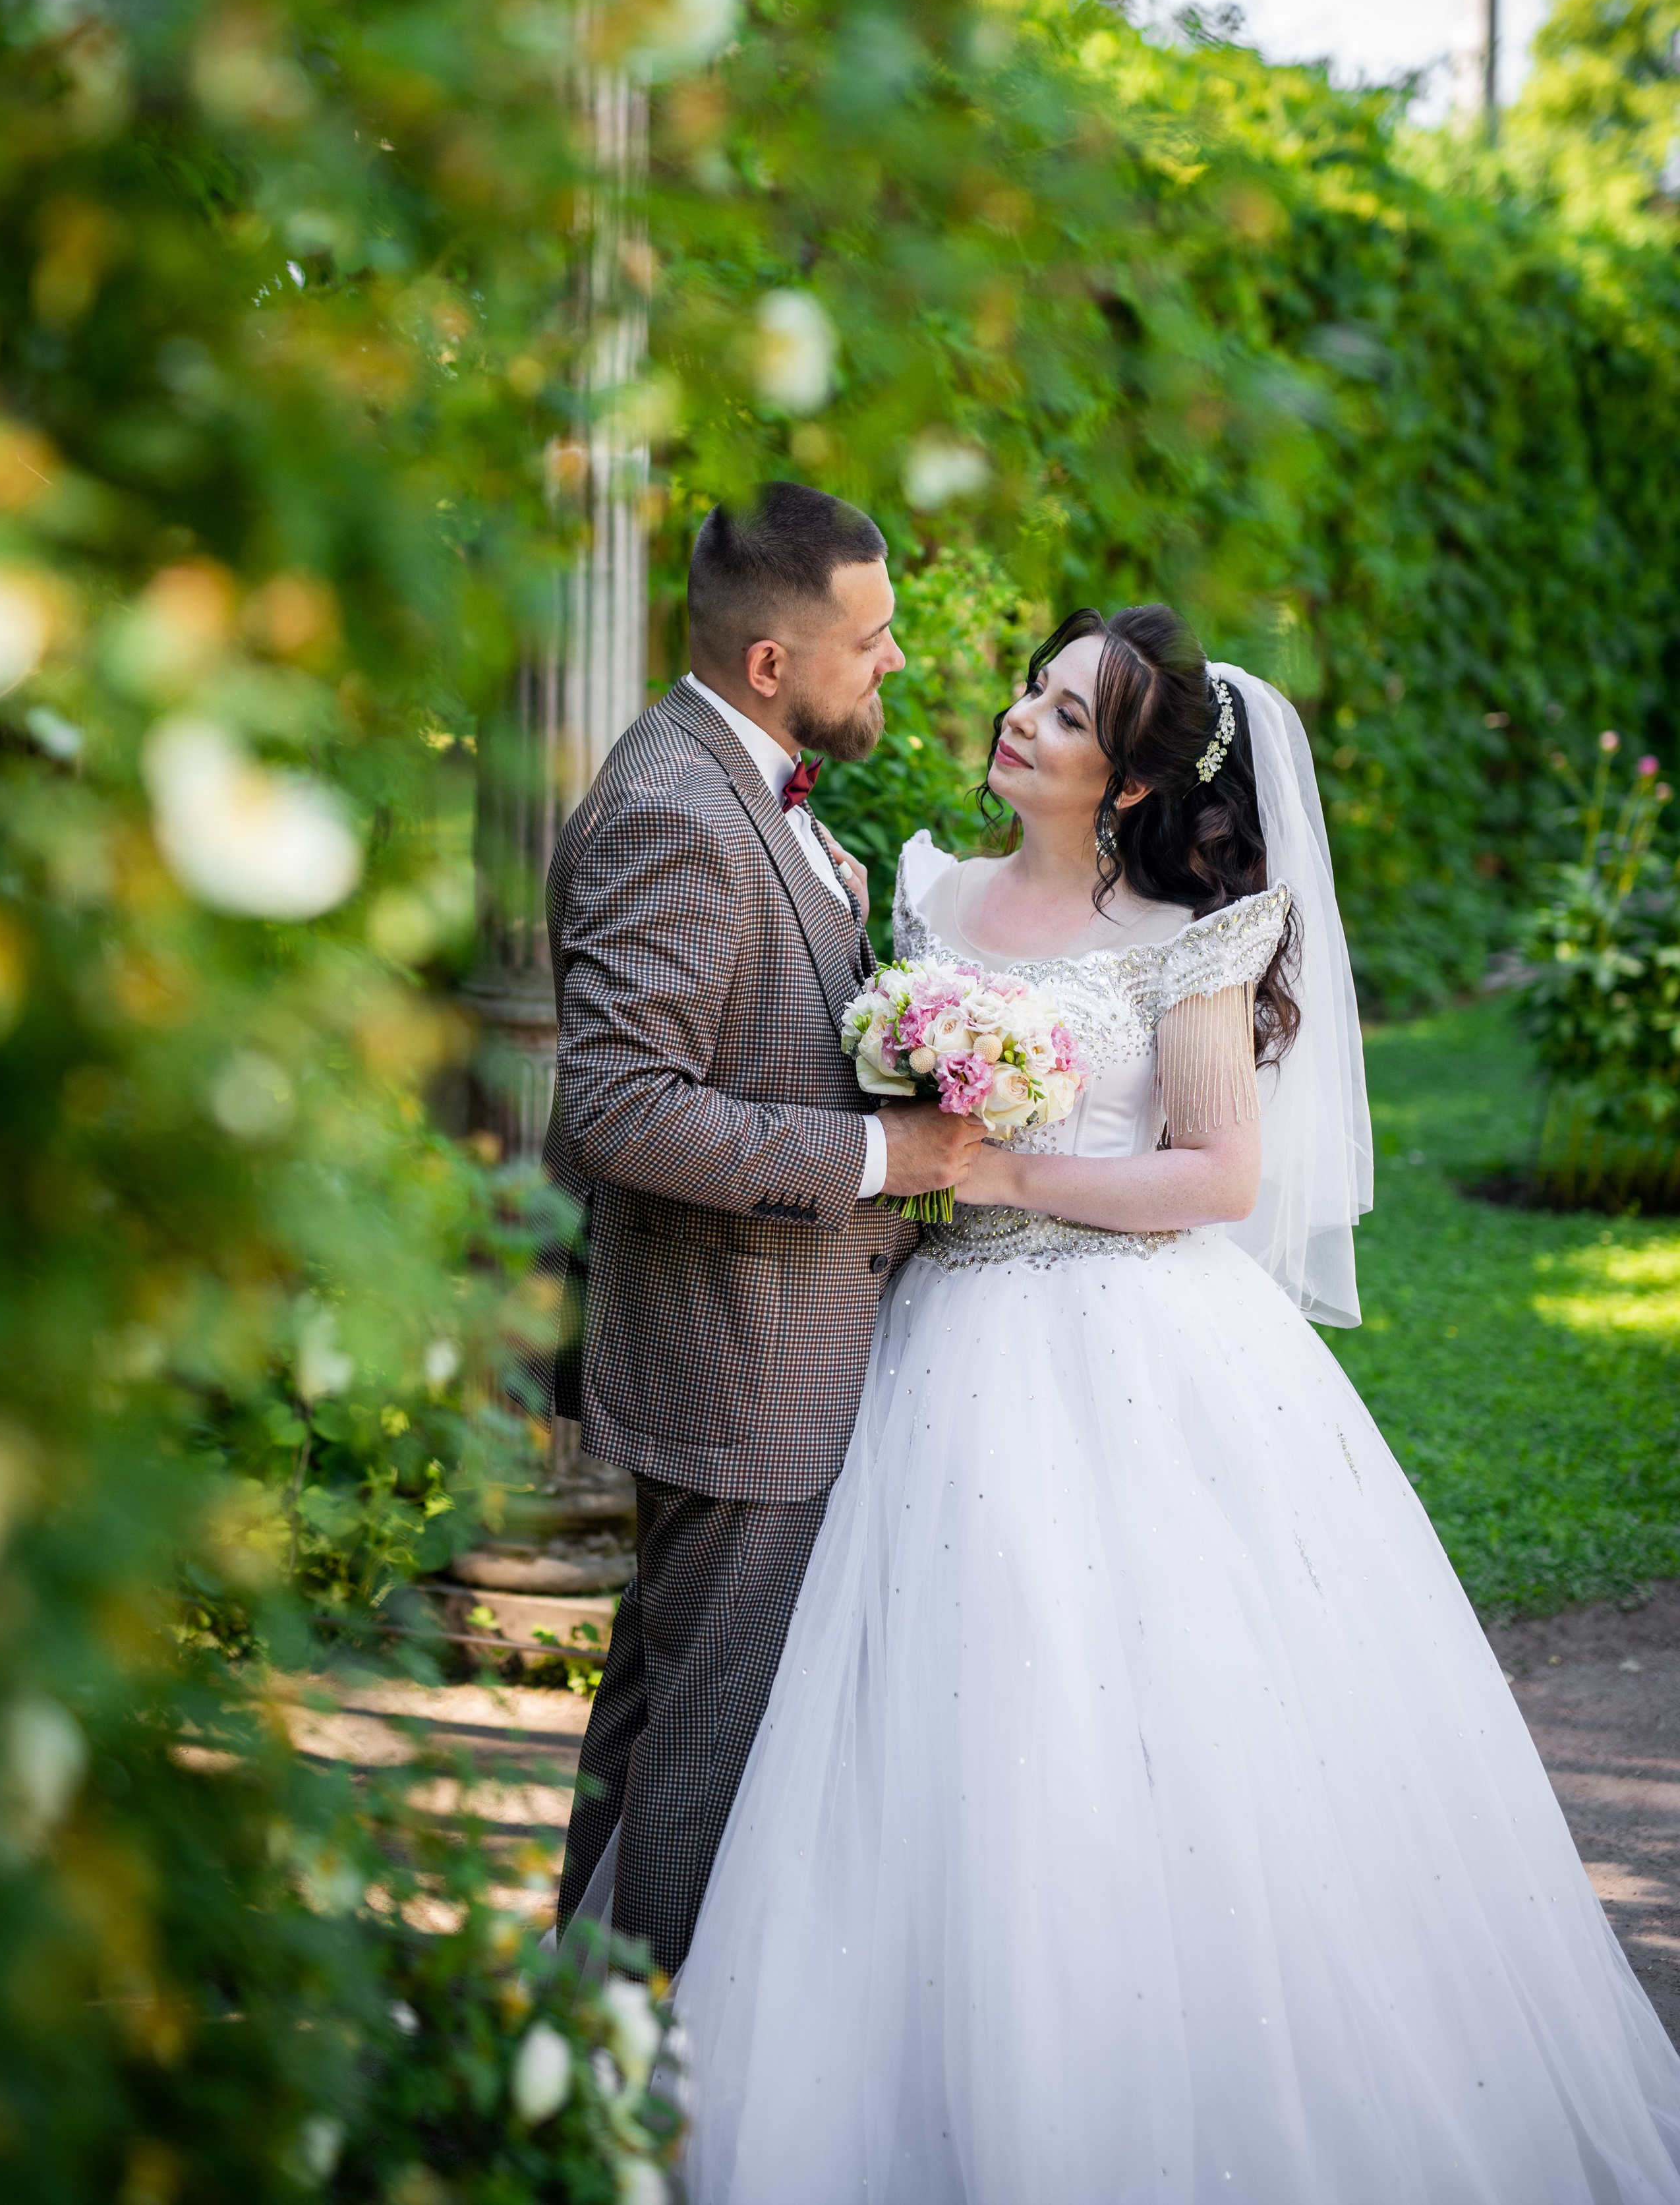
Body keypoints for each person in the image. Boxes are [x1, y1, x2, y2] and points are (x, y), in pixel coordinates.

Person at [676, 603, 1680, 2202]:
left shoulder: (1181, 938)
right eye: (1031, 689)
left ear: (1127, 785)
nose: (1020, 719)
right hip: (930, 1345)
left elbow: (1216, 1173)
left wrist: (1000, 1164)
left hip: (1126, 1347)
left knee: (1138, 1707)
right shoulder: (921, 887)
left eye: (1065, 716)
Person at [544, 483, 985, 1976]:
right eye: (871, 639)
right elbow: (614, 1108)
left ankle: (568, 2037)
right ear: (769, 666)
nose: (897, 662)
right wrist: (884, 1149)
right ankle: (635, 2083)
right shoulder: (678, 806)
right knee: (702, 1763)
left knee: (658, 1722)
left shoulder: (743, 784)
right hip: (742, 1372)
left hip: (758, 1352)